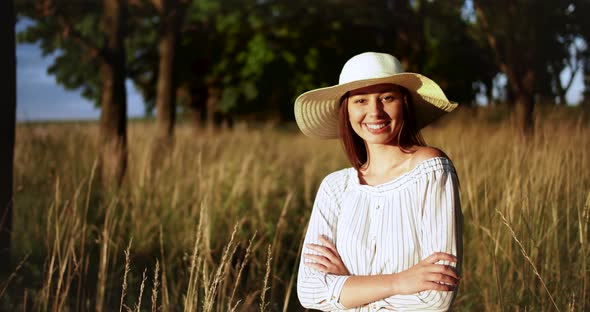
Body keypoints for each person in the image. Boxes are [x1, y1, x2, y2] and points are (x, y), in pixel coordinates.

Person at [294, 52, 463, 311]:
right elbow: (309, 291)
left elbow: (435, 298)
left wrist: (348, 284)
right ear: (346, 112)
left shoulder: (430, 170)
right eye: (360, 100)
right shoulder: (335, 187)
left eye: (387, 97)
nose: (375, 112)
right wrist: (398, 282)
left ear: (404, 104)